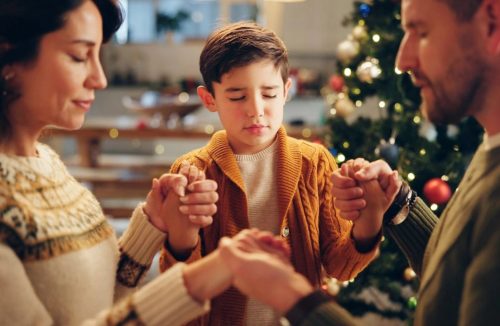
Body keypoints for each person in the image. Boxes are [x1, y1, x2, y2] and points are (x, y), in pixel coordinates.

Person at [220, 0, 500, 325]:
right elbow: (456, 275)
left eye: (421, 32)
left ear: (492, 21)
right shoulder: (490, 148)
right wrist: (398, 204)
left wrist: (294, 298)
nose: (403, 61)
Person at [0, 1, 226, 325]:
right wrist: (193, 285)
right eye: (79, 56)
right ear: (8, 57)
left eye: (98, 55)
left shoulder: (44, 161)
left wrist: (154, 221)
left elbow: (100, 303)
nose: (100, 78)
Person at [159, 21, 385, 325]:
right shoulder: (193, 172)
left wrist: (368, 221)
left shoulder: (315, 162)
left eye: (268, 93)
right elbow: (179, 288)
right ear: (209, 99)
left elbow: (339, 266)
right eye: (237, 97)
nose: (256, 109)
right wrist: (180, 240)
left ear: (286, 90)